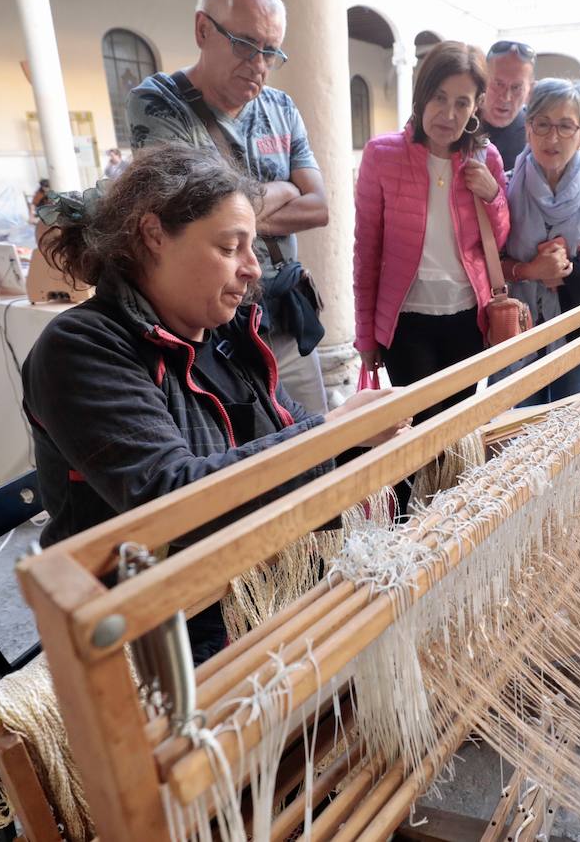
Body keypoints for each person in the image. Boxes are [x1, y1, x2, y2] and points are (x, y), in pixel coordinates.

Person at [23, 145, 404, 662]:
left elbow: (288, 430)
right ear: (152, 235)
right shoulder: (80, 350)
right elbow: (169, 502)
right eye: (230, 247)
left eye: (253, 248)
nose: (252, 269)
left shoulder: (226, 333)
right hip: (149, 620)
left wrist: (377, 446)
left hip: (244, 569)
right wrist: (336, 433)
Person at [125, 0, 331, 417]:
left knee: (318, 442)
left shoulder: (281, 108)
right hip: (211, 326)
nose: (259, 63)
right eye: (245, 44)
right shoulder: (159, 104)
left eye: (271, 51)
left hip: (283, 312)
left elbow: (319, 208)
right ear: (203, 30)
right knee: (243, 452)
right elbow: (195, 217)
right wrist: (287, 186)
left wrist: (234, 210)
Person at [354, 40, 510, 423]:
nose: (449, 113)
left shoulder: (485, 158)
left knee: (457, 428)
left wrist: (492, 196)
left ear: (476, 107)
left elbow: (499, 241)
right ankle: (417, 488)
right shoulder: (382, 155)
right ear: (422, 96)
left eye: (462, 102)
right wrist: (365, 337)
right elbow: (366, 253)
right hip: (406, 323)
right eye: (440, 98)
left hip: (468, 320)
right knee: (420, 433)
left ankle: (454, 486)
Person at [498, 77, 580, 404]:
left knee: (568, 424)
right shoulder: (508, 186)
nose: (552, 137)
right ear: (528, 128)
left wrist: (565, 272)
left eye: (565, 126)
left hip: (577, 324)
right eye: (542, 124)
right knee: (517, 431)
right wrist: (530, 269)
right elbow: (489, 260)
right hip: (516, 331)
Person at [480, 40, 536, 171]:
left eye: (516, 87)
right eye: (498, 84)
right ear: (483, 80)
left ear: (530, 90)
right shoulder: (461, 124)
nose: (506, 97)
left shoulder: (536, 136)